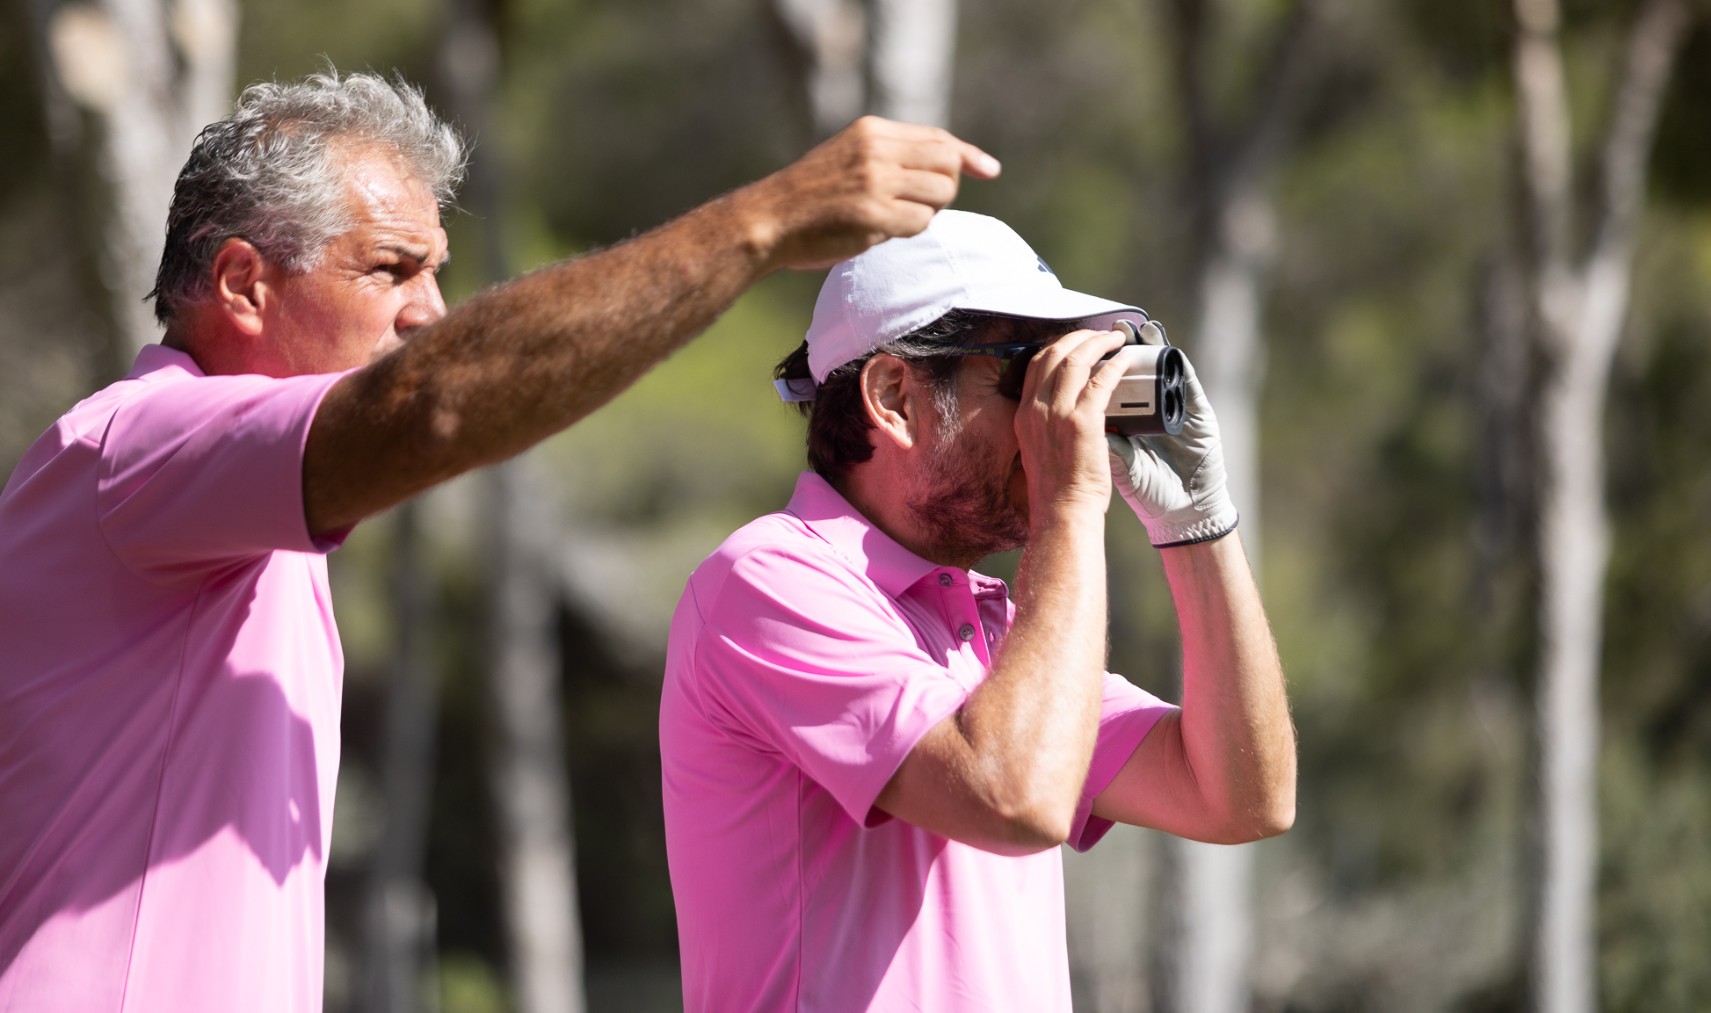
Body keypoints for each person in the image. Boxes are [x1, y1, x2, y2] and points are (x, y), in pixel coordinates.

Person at [0, 69, 998, 1010]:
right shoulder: (136, 444)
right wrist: (763, 222)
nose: (430, 312)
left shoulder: (226, 514)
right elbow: (434, 407)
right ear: (245, 283)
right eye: (389, 267)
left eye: (435, 271)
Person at [660, 209, 1298, 1011]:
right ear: (894, 394)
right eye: (1026, 374)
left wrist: (1196, 522)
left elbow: (1240, 794)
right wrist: (1070, 505)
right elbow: (1011, 793)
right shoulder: (768, 582)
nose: (1056, 417)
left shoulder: (994, 630)